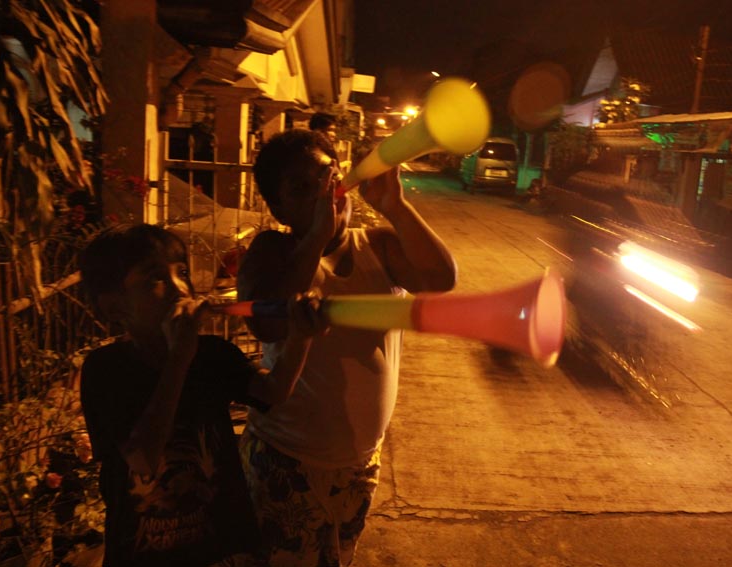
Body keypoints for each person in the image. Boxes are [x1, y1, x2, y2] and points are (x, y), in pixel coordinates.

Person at [237, 129, 456, 566]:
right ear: (277, 207)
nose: (323, 192)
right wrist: (316, 237)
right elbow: (266, 322)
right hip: (288, 458)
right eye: (302, 188)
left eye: (326, 176)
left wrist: (394, 205)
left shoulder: (376, 245)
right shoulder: (271, 250)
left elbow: (440, 280)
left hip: (358, 465)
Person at [78, 223, 328, 567]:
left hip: (221, 544)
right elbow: (142, 459)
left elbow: (274, 391)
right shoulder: (105, 370)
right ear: (112, 308)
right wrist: (179, 359)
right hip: (143, 550)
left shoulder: (211, 353)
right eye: (155, 277)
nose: (181, 287)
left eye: (181, 271)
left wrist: (300, 338)